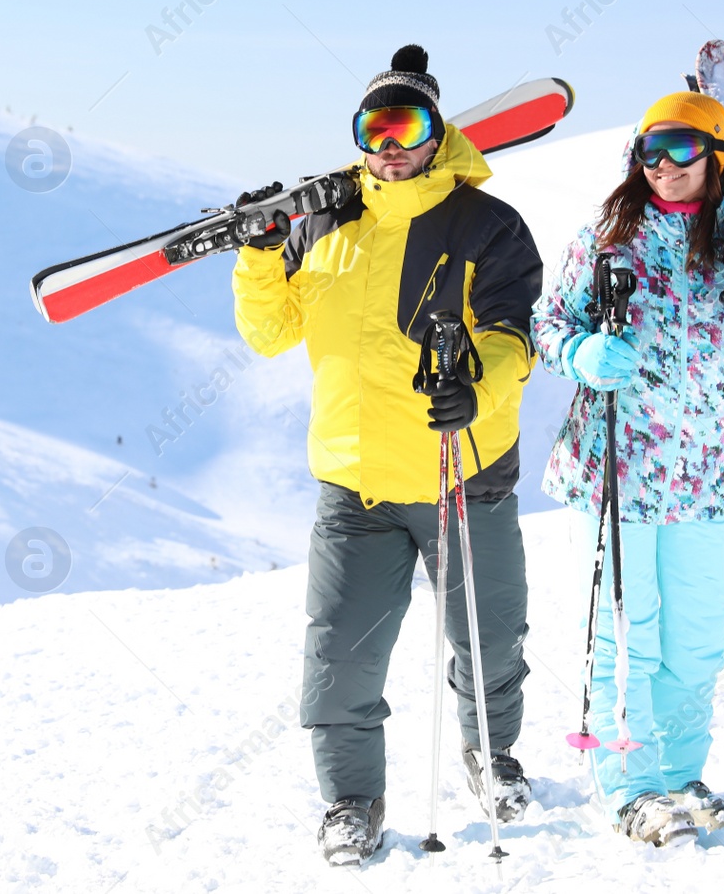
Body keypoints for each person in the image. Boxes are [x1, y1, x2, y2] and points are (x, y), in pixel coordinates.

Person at [232, 45, 544, 865]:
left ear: (437, 133)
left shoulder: (488, 225)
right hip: (355, 484)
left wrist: (482, 386)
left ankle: (493, 754)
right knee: (340, 650)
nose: (392, 141)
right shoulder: (325, 226)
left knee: (492, 637)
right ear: (361, 138)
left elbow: (515, 335)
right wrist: (262, 255)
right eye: (377, 125)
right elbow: (270, 333)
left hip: (461, 472)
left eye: (408, 123)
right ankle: (351, 802)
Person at [530, 91, 724, 846]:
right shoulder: (609, 234)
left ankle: (683, 772)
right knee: (630, 635)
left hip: (706, 475)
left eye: (683, 148)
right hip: (617, 469)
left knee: (697, 640)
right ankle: (632, 783)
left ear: (716, 156)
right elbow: (548, 323)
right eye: (651, 149)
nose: (663, 164)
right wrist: (582, 352)